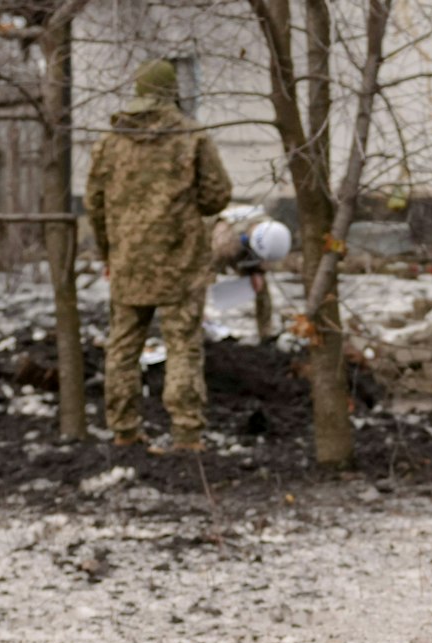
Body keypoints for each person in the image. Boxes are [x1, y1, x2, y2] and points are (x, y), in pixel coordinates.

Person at [86, 58, 232, 453]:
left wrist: (109, 254)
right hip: (181, 262)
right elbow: (217, 195)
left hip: (129, 263)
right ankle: (187, 432)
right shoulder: (192, 136)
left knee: (123, 346)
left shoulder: (111, 142)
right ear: (173, 90)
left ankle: (124, 428)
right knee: (183, 344)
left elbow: (94, 204)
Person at [210, 208, 292, 340]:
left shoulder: (271, 231)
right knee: (200, 287)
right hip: (221, 244)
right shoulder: (224, 241)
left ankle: (265, 334)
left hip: (247, 248)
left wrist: (257, 272)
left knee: (261, 288)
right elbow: (206, 270)